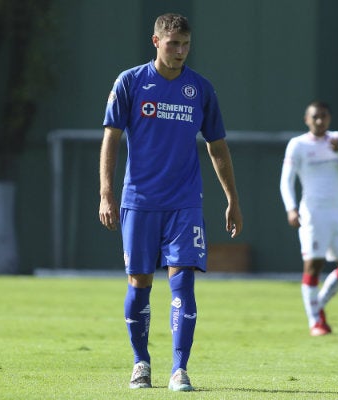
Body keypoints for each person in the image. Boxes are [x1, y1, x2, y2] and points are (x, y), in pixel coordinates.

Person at [98, 13, 243, 391]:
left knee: (183, 284)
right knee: (139, 282)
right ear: (156, 42)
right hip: (139, 201)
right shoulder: (130, 82)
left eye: (186, 45)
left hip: (185, 203)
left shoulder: (200, 89)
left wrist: (232, 198)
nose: (180, 52)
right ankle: (140, 363)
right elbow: (111, 138)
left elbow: (217, 146)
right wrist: (106, 193)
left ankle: (179, 369)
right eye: (173, 44)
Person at [279, 101, 338, 337]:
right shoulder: (298, 144)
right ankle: (315, 321)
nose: (319, 121)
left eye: (323, 116)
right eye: (315, 117)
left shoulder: (337, 139)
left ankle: (319, 303)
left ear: (329, 119)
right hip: (312, 213)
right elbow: (286, 180)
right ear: (307, 120)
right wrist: (291, 208)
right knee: (313, 265)